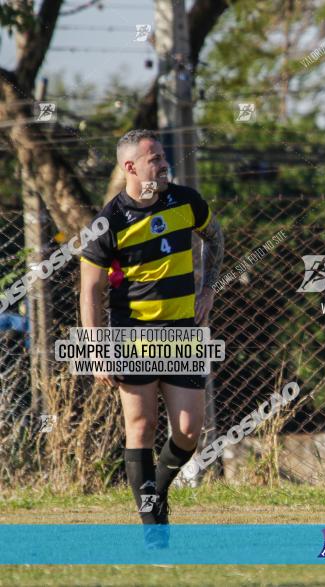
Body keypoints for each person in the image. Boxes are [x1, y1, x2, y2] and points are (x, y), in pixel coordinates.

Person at [79, 129, 224, 529]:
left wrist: (208, 287)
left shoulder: (186, 200)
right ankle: (153, 524)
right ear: (130, 167)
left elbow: (215, 237)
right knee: (141, 427)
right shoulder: (107, 223)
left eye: (163, 157)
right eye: (154, 159)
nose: (163, 165)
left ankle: (154, 492)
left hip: (182, 333)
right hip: (132, 335)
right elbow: (90, 293)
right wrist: (96, 349)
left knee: (189, 431)